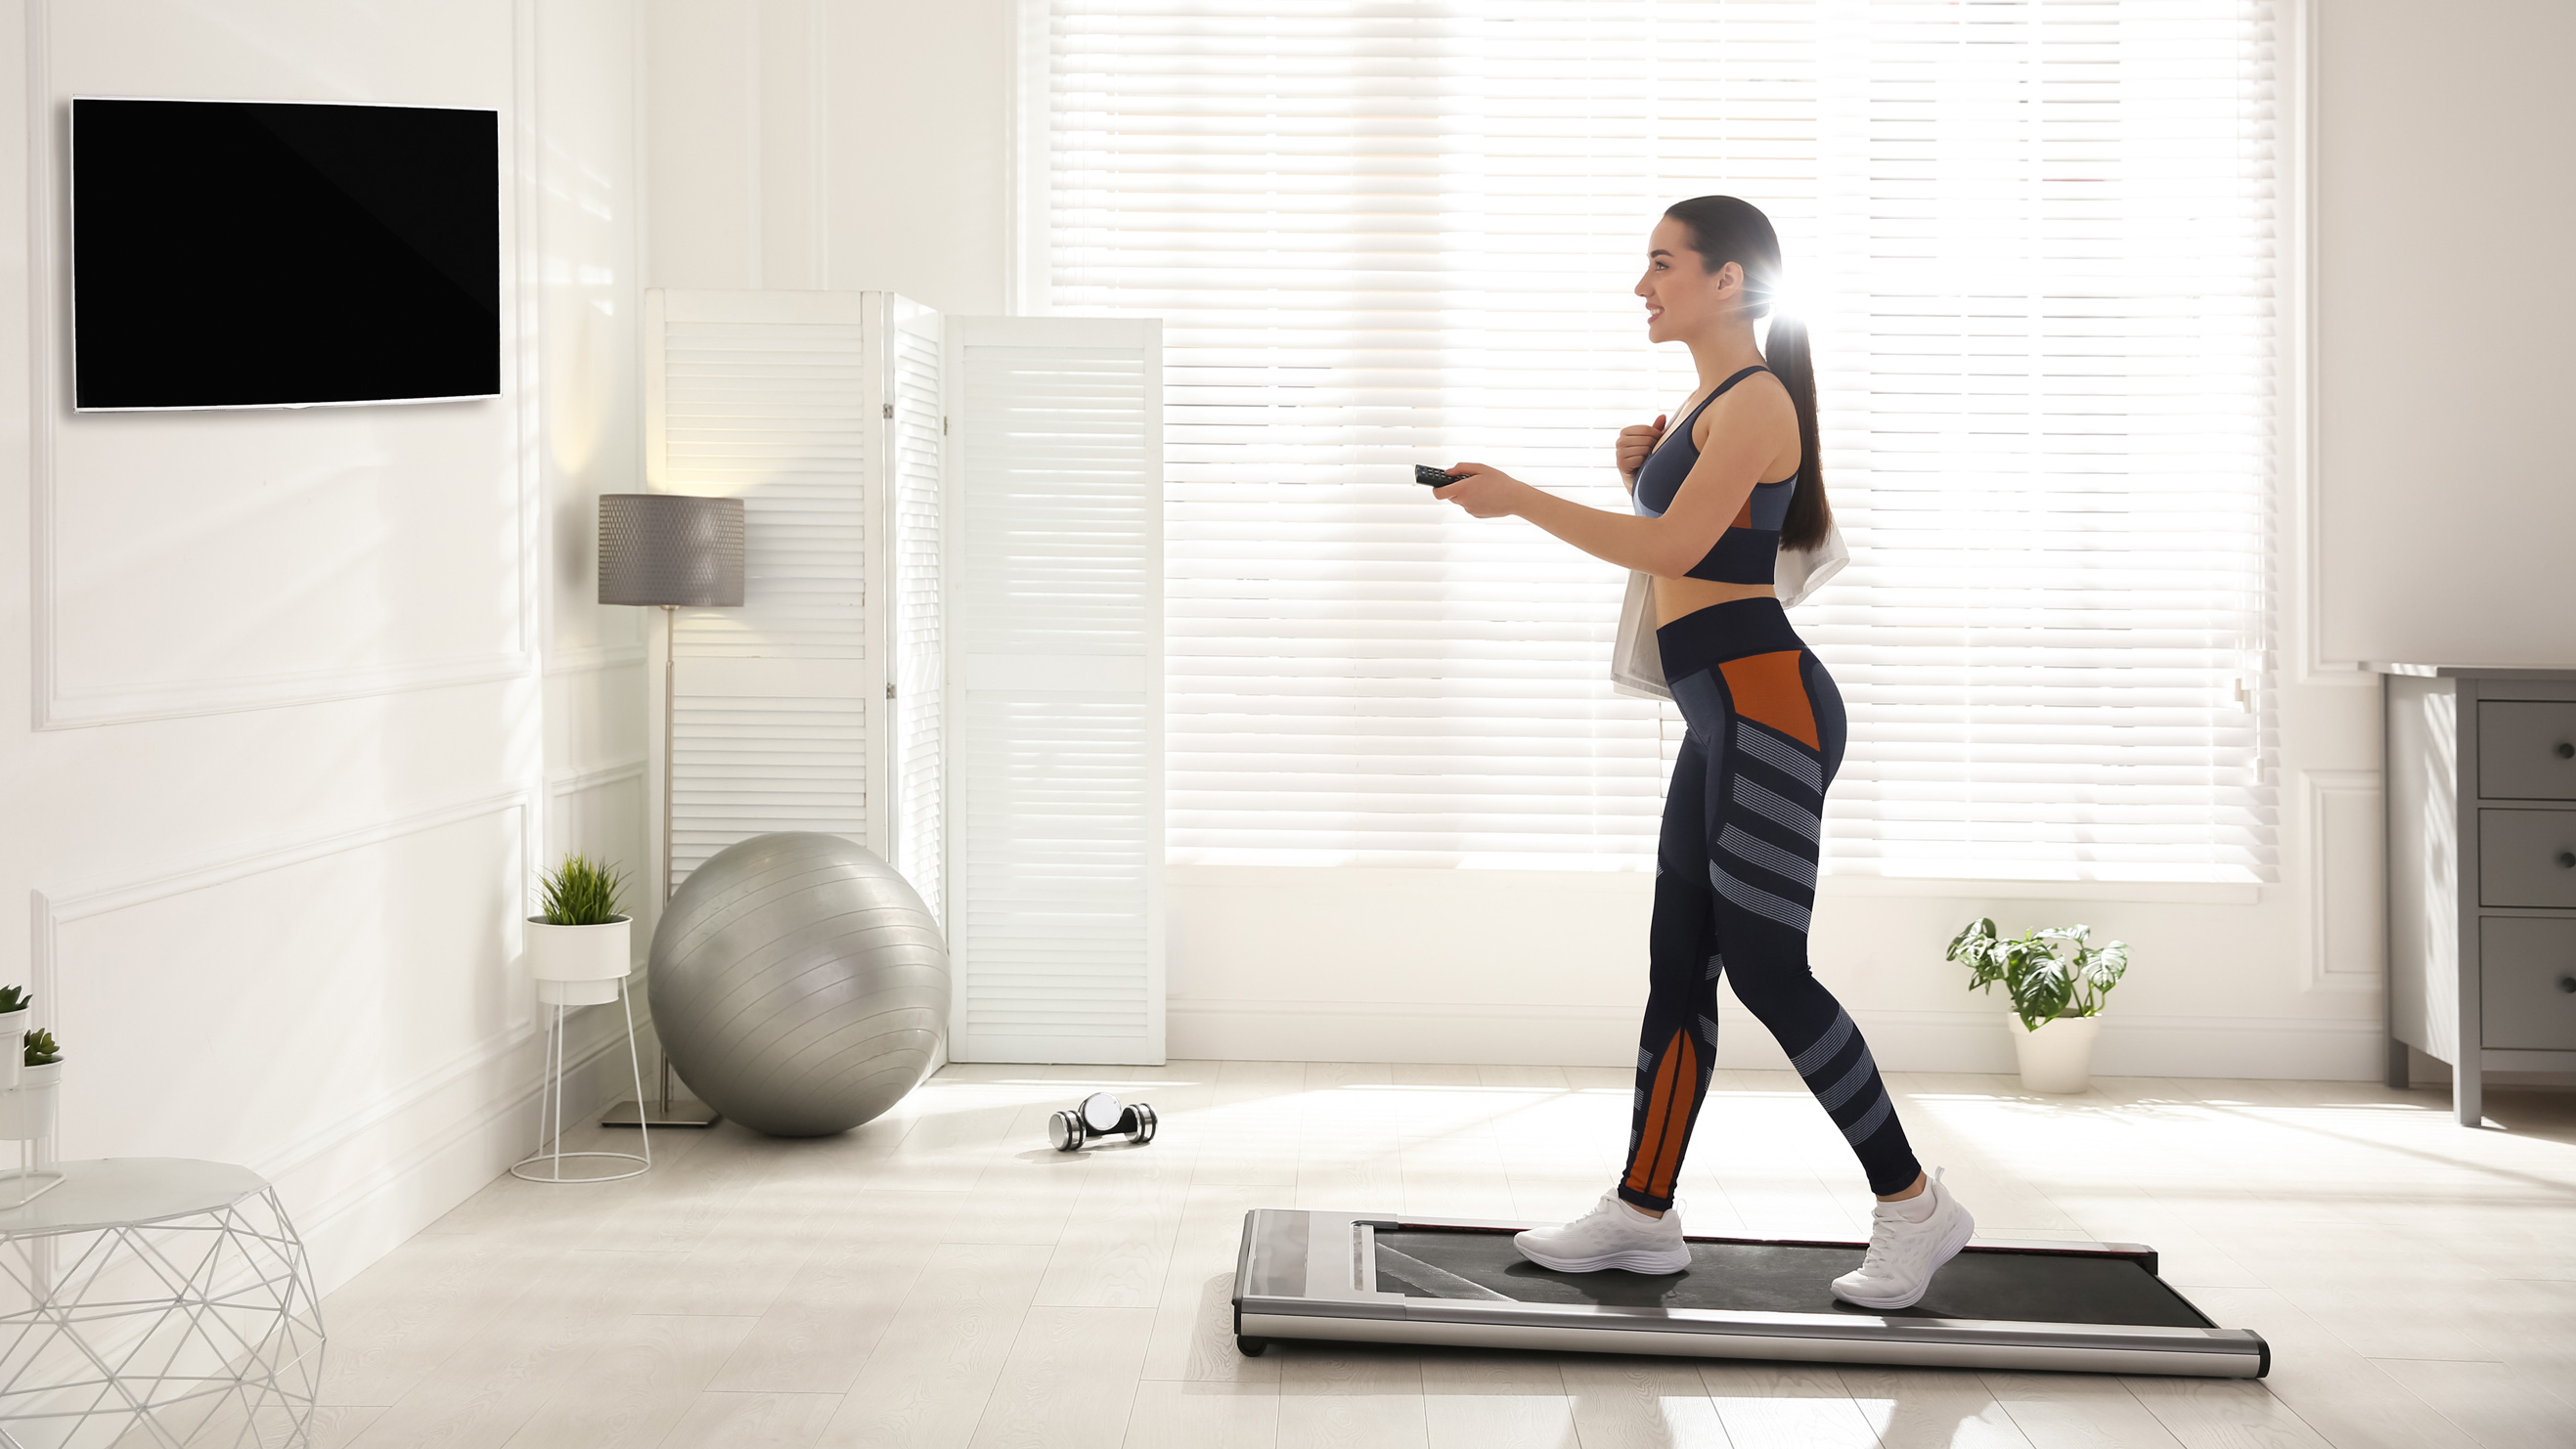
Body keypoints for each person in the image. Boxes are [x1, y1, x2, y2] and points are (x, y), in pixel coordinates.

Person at [1428, 196, 1974, 1309]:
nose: (1644, 285)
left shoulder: (1760, 399)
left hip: (1769, 711)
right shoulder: (1712, 398)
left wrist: (1522, 500)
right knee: (1680, 962)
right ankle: (1642, 1211)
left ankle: (1915, 1206)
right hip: (1720, 712)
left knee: (1770, 969)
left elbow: (1679, 547)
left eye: (1663, 264)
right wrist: (1648, 455)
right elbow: (1696, 525)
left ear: (1729, 281)